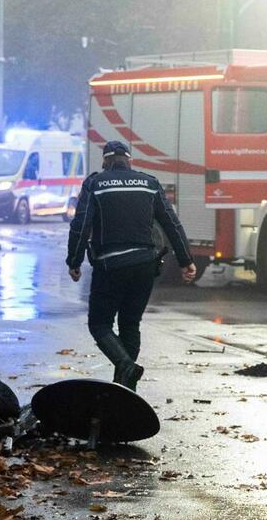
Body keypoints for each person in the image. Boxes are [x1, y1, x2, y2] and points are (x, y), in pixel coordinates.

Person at [66, 140, 196, 390]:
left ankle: (125, 367)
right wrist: (185, 260)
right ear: (129, 160)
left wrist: (75, 260)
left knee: (99, 324)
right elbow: (171, 223)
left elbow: (80, 225)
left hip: (110, 266)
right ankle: (125, 388)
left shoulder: (95, 184)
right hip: (144, 266)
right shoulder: (149, 183)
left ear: (105, 161)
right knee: (130, 324)